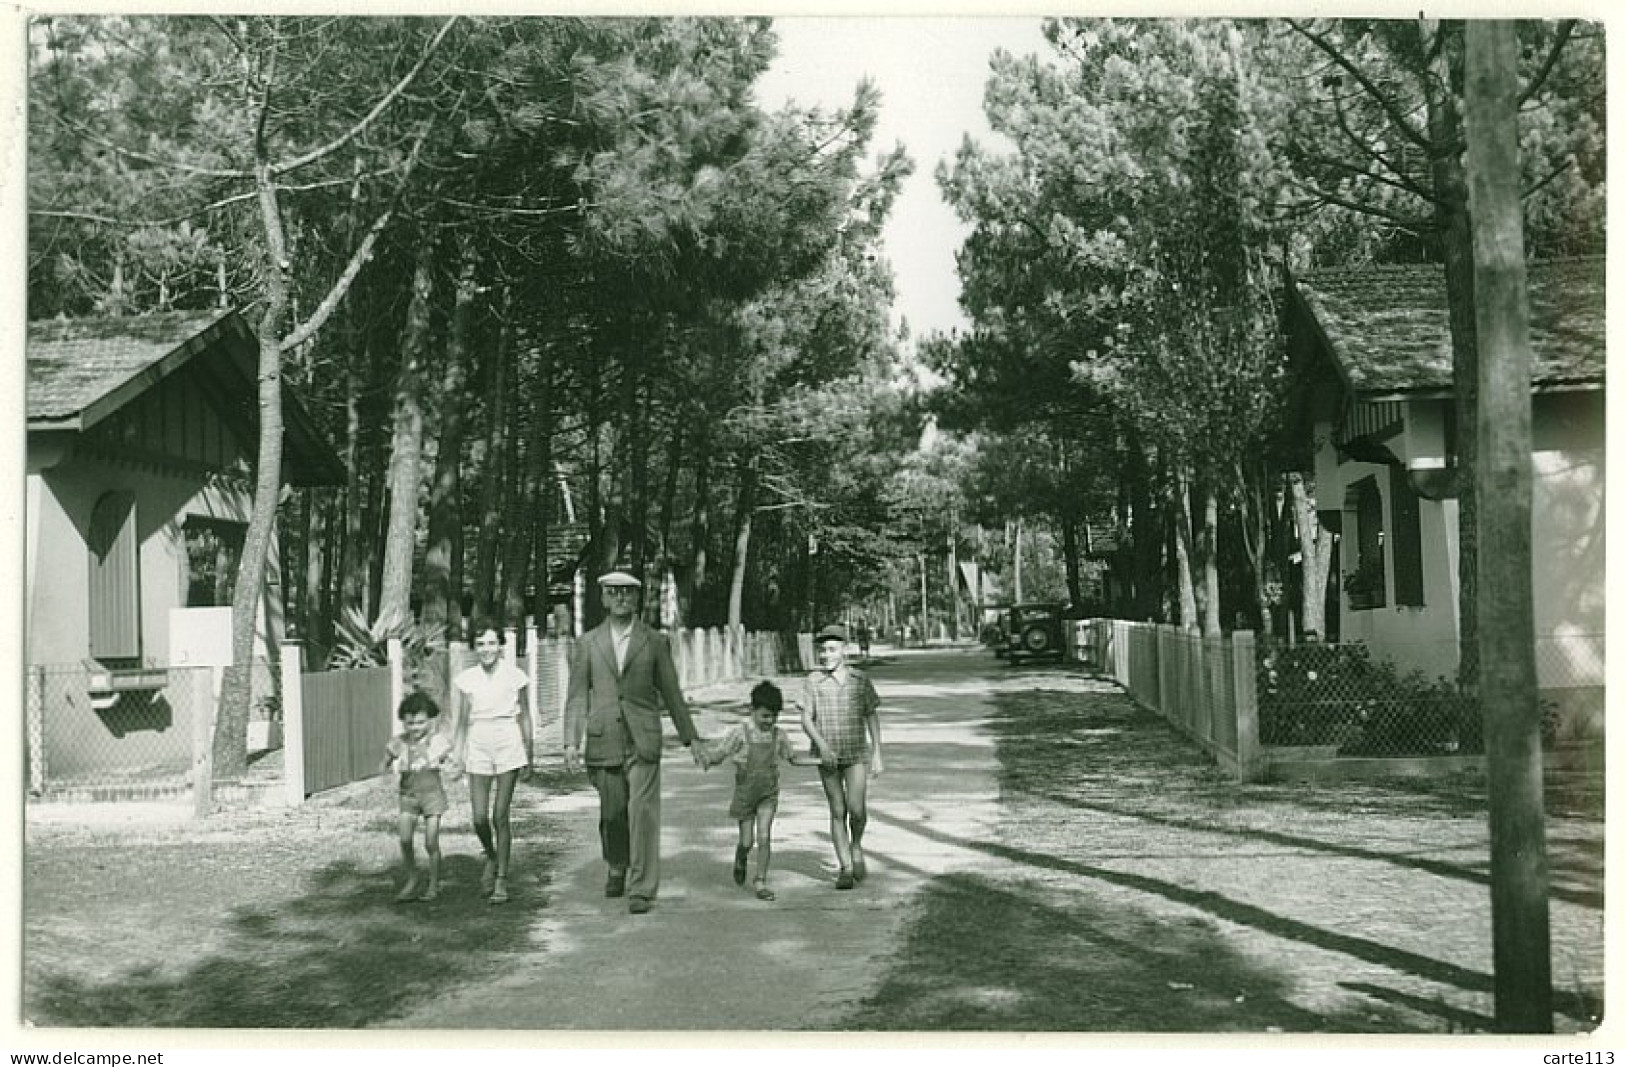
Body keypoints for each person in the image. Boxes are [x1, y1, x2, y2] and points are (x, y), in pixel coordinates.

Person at [563, 570, 704, 915]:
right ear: (604, 598)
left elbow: (671, 692)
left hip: (643, 740)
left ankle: (641, 888)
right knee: (613, 814)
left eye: (628, 592)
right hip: (603, 738)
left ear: (638, 598)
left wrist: (691, 739)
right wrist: (570, 742)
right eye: (614, 592)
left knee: (642, 813)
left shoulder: (654, 642)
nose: (621, 598)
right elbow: (577, 695)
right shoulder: (588, 643)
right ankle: (616, 864)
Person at [696, 680, 819, 901]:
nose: (769, 721)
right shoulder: (740, 733)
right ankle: (741, 856)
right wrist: (707, 759)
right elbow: (720, 753)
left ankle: (760, 881)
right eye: (764, 716)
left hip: (767, 795)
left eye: (773, 717)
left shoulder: (779, 736)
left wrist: (820, 761)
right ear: (753, 711)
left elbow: (793, 759)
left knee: (764, 836)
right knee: (747, 841)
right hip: (745, 794)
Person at [451, 620, 533, 905]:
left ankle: (501, 880)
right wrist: (457, 756)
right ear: (475, 647)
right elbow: (461, 721)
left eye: (491, 643)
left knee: (500, 814)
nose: (486, 649)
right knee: (478, 817)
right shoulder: (467, 679)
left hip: (508, 740)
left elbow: (524, 716)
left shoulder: (515, 676)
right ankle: (492, 854)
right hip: (478, 742)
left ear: (500, 646)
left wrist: (529, 753)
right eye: (481, 644)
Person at [799, 623, 884, 890]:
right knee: (838, 810)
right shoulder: (813, 681)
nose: (826, 655)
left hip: (856, 754)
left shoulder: (860, 680)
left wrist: (878, 752)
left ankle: (855, 845)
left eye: (832, 649)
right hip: (827, 758)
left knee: (856, 810)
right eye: (823, 650)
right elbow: (805, 718)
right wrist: (821, 746)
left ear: (844, 650)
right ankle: (845, 867)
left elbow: (871, 715)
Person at [382, 691, 455, 903]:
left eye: (420, 723)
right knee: (405, 838)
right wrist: (386, 773)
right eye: (410, 723)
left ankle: (433, 884)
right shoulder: (399, 743)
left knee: (431, 842)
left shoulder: (437, 742)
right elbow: (384, 763)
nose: (415, 728)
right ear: (404, 722)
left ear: (430, 721)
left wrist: (454, 768)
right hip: (409, 797)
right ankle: (412, 879)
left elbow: (453, 762)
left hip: (432, 796)